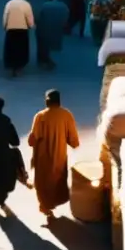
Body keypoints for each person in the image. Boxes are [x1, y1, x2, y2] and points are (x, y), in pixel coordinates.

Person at [27, 89, 79, 219]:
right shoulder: (67, 115)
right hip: (59, 158)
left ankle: (46, 210)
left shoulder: (40, 116)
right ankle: (51, 208)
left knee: (43, 185)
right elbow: (74, 141)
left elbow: (32, 141)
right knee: (57, 182)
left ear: (47, 101)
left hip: (43, 159)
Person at [35, 0, 69, 70]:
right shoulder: (61, 4)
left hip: (44, 27)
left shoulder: (45, 5)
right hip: (54, 27)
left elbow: (38, 16)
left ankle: (44, 60)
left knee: (43, 44)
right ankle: (45, 60)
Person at [2, 0, 34, 76]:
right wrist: (31, 25)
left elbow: (5, 17)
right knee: (21, 49)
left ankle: (12, 65)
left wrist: (4, 26)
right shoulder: (26, 4)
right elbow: (29, 17)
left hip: (11, 29)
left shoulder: (9, 4)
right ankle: (20, 65)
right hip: (22, 30)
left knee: (11, 48)